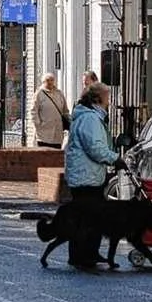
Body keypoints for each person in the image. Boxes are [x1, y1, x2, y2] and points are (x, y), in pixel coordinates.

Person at [64, 82, 118, 269]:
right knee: (89, 219)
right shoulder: (90, 119)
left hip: (85, 175)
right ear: (98, 99)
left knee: (86, 218)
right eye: (107, 97)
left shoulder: (89, 117)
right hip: (86, 178)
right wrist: (115, 159)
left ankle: (87, 253)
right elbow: (95, 148)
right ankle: (83, 255)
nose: (109, 101)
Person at [33, 73, 70, 149]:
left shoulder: (59, 93)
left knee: (56, 155)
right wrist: (39, 124)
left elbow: (65, 110)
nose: (50, 82)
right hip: (44, 133)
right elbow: (33, 111)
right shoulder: (39, 94)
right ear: (43, 82)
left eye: (52, 80)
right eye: (47, 80)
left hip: (57, 133)